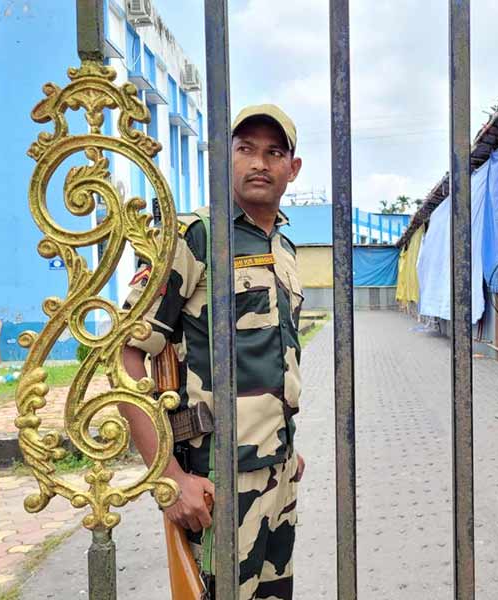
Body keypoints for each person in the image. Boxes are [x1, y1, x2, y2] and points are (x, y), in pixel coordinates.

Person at [120, 104, 307, 599]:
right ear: (225, 159)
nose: (259, 163)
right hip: (217, 481)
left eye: (273, 152)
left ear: (293, 168)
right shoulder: (196, 238)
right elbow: (125, 356)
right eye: (245, 149)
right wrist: (169, 476)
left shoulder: (285, 250)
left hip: (279, 476)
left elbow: (273, 356)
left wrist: (285, 446)